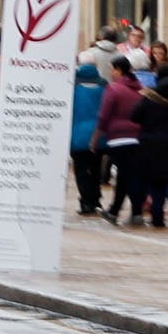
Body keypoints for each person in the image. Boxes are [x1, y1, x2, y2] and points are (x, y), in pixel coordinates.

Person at [128, 65, 168, 228]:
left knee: (155, 180)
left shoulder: (150, 96)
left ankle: (157, 217)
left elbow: (135, 116)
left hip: (152, 144)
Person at [91, 54, 145, 224]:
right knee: (126, 174)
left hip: (117, 139)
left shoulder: (113, 89)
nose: (111, 72)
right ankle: (115, 211)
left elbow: (103, 116)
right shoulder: (140, 89)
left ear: (119, 70)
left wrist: (95, 137)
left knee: (126, 176)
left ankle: (135, 212)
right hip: (137, 138)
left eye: (112, 69)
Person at [70, 31, 114, 216]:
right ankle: (95, 198)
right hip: (98, 135)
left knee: (80, 170)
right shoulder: (104, 84)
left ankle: (86, 201)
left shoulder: (73, 85)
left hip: (77, 135)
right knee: (96, 168)